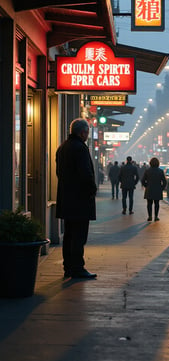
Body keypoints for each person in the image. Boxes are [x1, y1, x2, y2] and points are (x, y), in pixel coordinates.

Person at [56, 118, 97, 279]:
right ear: (82, 132)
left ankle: (68, 267)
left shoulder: (62, 147)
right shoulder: (80, 148)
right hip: (80, 199)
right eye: (87, 132)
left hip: (66, 198)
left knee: (69, 234)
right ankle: (78, 267)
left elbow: (59, 172)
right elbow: (86, 174)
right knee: (79, 235)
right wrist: (91, 190)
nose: (87, 135)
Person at [142, 157, 167, 221]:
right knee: (157, 203)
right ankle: (156, 216)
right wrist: (161, 188)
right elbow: (164, 181)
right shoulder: (160, 171)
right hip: (157, 189)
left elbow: (143, 180)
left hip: (149, 189)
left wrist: (146, 186)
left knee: (149, 204)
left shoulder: (147, 171)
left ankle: (150, 216)